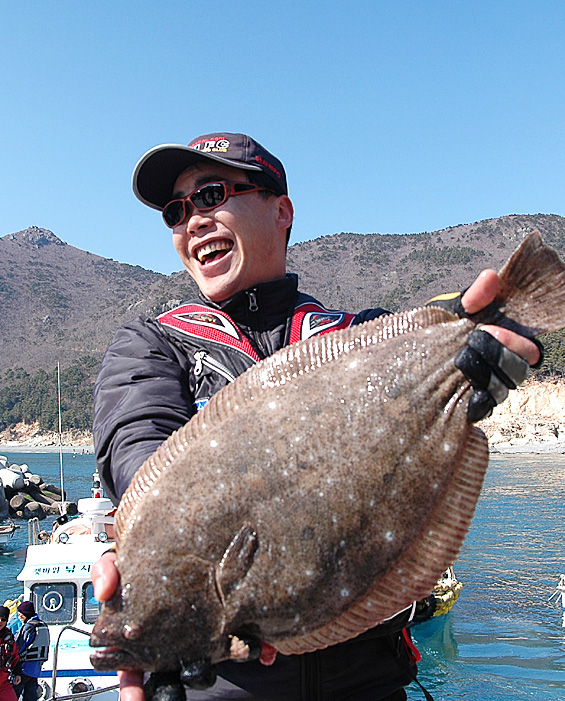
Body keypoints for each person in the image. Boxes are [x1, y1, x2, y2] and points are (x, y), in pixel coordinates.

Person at [91, 132, 541, 701]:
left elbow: (440, 341)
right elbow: (135, 447)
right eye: (175, 212)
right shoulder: (152, 344)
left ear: (281, 211)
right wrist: (157, 556)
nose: (193, 221)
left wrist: (487, 335)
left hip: (370, 684)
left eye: (211, 195)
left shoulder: (359, 334)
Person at [12, 602, 48, 701]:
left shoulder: (28, 627)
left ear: (26, 614)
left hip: (24, 668)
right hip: (35, 669)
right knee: (31, 696)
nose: (19, 617)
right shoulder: (42, 625)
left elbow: (18, 646)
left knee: (12, 695)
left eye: (21, 615)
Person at [0, 606, 20, 701]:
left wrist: (17, 673)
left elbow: (15, 657)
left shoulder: (9, 638)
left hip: (3, 681)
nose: (0, 622)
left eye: (3, 619)